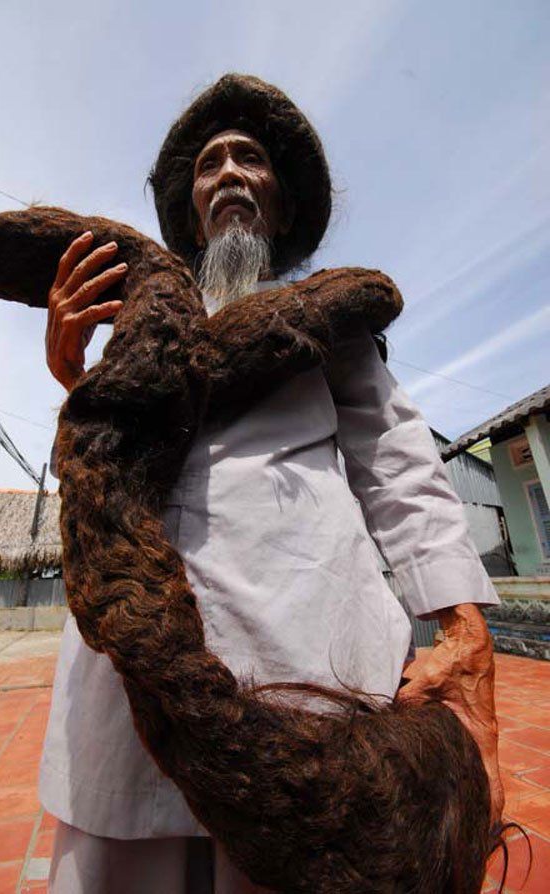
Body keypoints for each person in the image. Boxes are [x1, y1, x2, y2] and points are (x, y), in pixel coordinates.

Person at [40, 74, 504, 894]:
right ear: (190, 211)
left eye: (249, 158)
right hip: (130, 675)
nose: (228, 172)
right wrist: (73, 375)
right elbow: (100, 462)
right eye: (210, 162)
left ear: (281, 208)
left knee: (313, 849)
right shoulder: (135, 331)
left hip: (305, 650)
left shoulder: (335, 324)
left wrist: (464, 626)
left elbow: (399, 466)